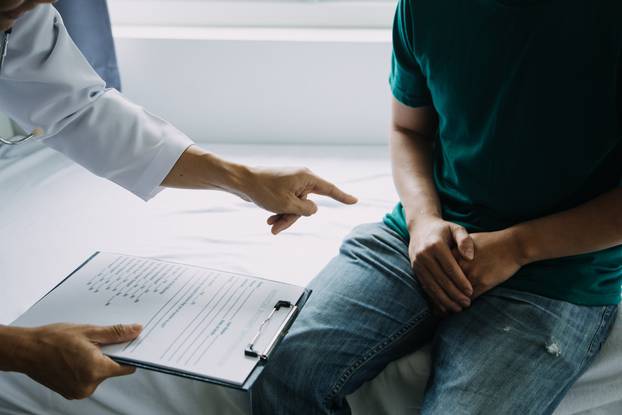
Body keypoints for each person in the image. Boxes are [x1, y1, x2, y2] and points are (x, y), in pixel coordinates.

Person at [252, 0, 622, 414]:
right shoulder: (422, 8)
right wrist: (424, 220)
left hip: (558, 270)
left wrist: (519, 247)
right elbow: (407, 129)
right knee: (279, 371)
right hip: (418, 237)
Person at [0, 1, 357, 401]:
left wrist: (243, 180)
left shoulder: (23, 15)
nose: (32, 4)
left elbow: (77, 109)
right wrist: (19, 349)